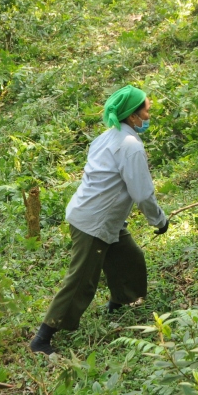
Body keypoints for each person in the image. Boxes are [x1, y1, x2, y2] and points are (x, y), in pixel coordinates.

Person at [30, 87, 168, 356]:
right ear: (133, 116)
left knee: (129, 258)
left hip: (94, 215)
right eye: (146, 111)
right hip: (93, 222)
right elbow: (142, 193)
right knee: (81, 280)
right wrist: (159, 220)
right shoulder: (130, 146)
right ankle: (43, 338)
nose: (149, 115)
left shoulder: (107, 138)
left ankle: (119, 302)